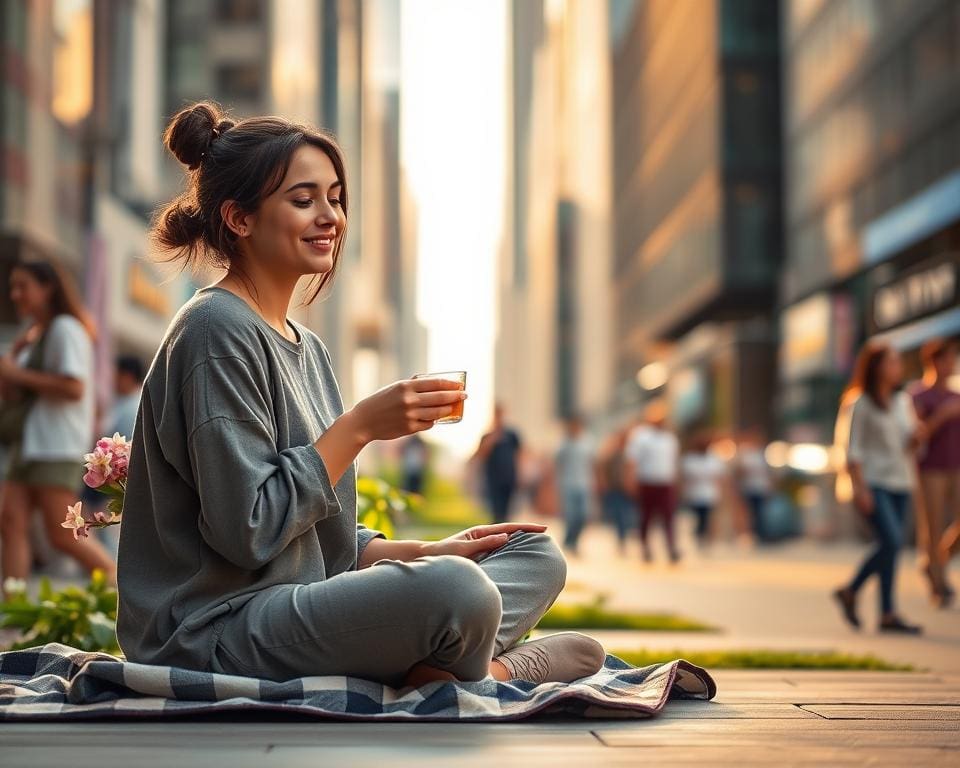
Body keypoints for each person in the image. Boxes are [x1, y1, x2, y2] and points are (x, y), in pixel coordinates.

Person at [116, 102, 603, 688]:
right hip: (212, 631)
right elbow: (247, 533)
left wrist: (426, 550)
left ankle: (448, 667)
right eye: (303, 200)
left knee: (533, 556)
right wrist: (360, 426)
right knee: (458, 591)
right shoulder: (214, 331)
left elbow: (327, 544)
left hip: (296, 604)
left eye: (335, 198)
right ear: (239, 218)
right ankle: (488, 670)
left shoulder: (310, 349)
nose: (331, 218)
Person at [0, 260, 116, 590]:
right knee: (10, 523)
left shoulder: (66, 328)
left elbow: (73, 387)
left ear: (47, 287)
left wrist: (15, 372)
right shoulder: (35, 335)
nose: (15, 294)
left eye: (23, 285)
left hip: (56, 444)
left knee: (62, 533)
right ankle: (14, 616)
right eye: (13, 286)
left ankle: (119, 583)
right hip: (30, 444)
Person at [833, 340, 924, 634]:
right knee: (893, 541)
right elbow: (852, 449)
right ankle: (854, 590)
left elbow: (910, 445)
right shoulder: (859, 402)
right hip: (874, 483)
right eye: (892, 361)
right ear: (876, 366)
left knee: (890, 547)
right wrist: (860, 489)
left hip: (901, 480)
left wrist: (919, 435)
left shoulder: (903, 402)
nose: (898, 367)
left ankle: (885, 612)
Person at [910, 338, 960, 607]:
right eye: (948, 359)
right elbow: (917, 437)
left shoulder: (957, 395)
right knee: (933, 525)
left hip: (957, 466)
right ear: (934, 362)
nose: (952, 364)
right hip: (930, 469)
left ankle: (935, 562)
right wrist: (942, 415)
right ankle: (939, 587)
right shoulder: (918, 396)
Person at [625, 401, 680, 563]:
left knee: (668, 515)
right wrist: (631, 480)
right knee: (646, 517)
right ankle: (645, 547)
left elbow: (673, 461)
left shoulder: (670, 438)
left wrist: (676, 481)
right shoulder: (641, 435)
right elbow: (632, 461)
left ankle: (671, 547)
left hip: (665, 481)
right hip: (647, 481)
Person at [473, 404, 523, 524]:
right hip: (493, 479)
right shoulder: (487, 435)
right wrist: (492, 440)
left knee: (507, 510)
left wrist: (520, 474)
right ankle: (496, 533)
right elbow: (480, 455)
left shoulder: (512, 435)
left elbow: (520, 455)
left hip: (509, 477)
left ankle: (506, 535)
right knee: (496, 510)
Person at [553, 415, 595, 555]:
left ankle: (574, 540)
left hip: (584, 484)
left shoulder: (587, 443)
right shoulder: (564, 445)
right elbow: (557, 464)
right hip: (568, 485)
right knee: (571, 516)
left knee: (583, 515)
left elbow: (592, 464)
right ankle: (569, 542)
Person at [680, 430, 727, 549]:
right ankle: (699, 536)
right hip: (694, 495)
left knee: (707, 517)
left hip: (709, 494)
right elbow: (685, 478)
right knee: (697, 518)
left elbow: (719, 477)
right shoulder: (689, 459)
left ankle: (706, 538)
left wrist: (720, 492)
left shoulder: (714, 458)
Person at [596, 427, 632, 554]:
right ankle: (621, 539)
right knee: (617, 515)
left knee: (623, 516)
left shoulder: (628, 455)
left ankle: (622, 539)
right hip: (614, 489)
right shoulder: (611, 455)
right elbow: (603, 468)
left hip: (624, 490)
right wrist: (604, 483)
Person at [735, 429, 772, 543]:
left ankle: (761, 534)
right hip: (749, 487)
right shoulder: (745, 455)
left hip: (761, 487)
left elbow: (768, 472)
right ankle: (750, 534)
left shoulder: (763, 454)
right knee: (750, 512)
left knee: (760, 512)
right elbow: (740, 471)